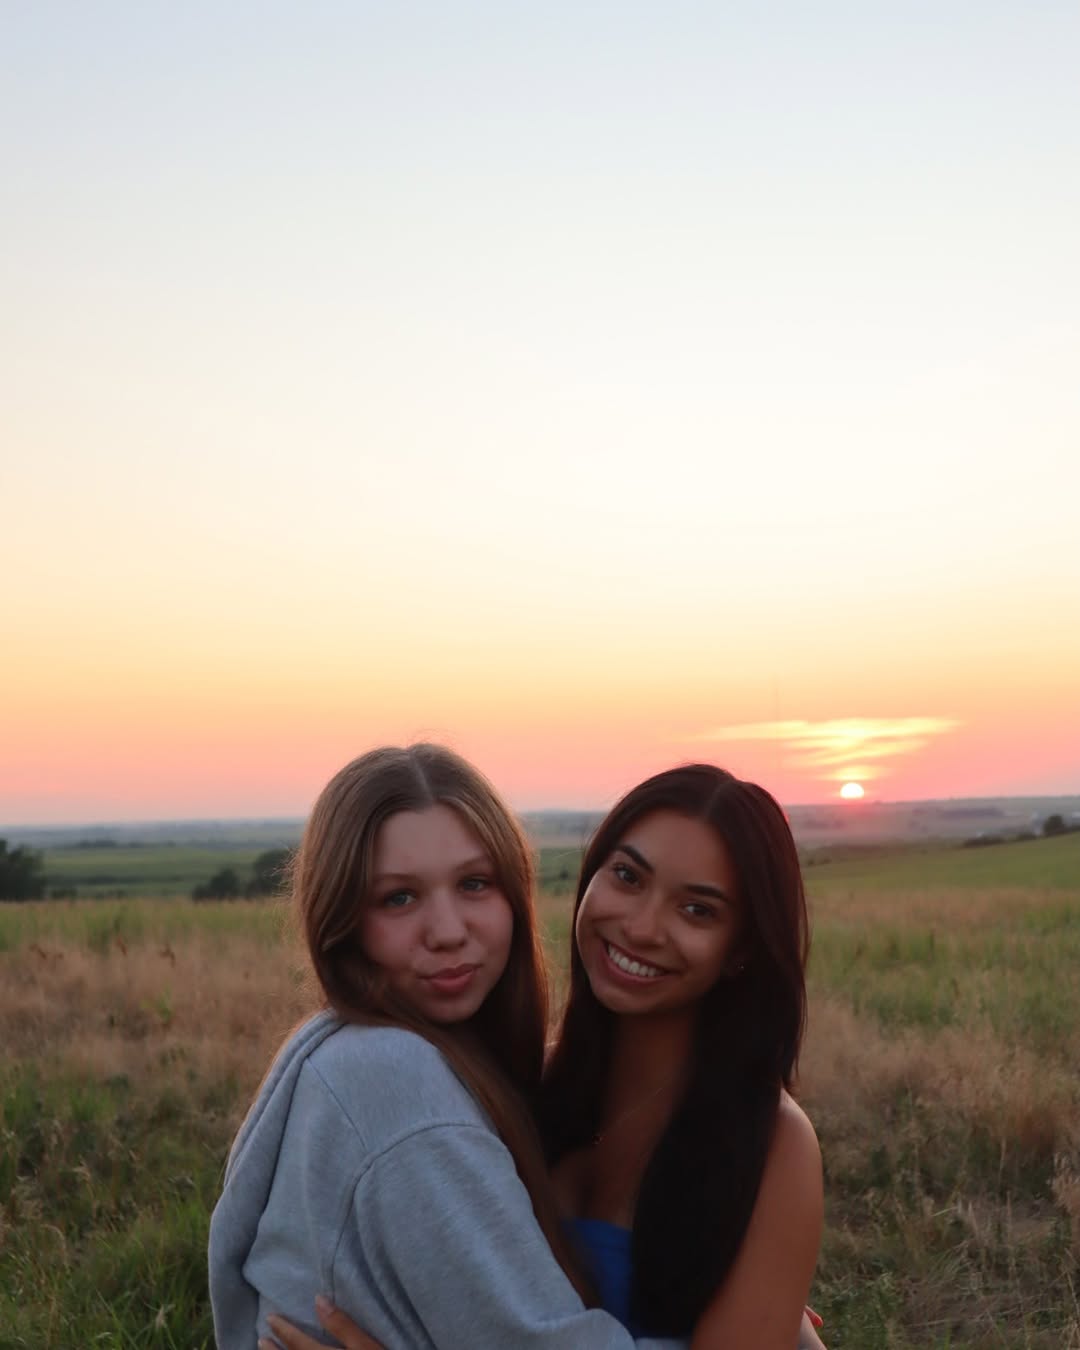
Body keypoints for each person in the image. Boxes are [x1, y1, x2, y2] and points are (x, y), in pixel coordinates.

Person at [256, 762, 826, 1350]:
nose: (642, 927)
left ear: (740, 948)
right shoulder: (523, 1084)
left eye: (697, 909)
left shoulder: (774, 1144)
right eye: (627, 876)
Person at [209, 744, 686, 1350]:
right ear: (343, 921)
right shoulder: (391, 1077)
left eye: (474, 884)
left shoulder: (354, 1053)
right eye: (398, 898)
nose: (448, 932)